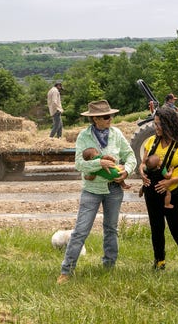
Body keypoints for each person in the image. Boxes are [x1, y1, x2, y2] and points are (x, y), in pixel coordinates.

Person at [57, 100, 137, 284]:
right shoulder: (83, 137)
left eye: (111, 115)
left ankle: (109, 266)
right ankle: (66, 271)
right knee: (81, 230)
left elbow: (130, 155)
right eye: (106, 116)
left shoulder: (116, 134)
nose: (110, 119)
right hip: (91, 191)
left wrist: (126, 171)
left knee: (111, 229)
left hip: (114, 189)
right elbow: (79, 164)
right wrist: (98, 163)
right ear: (95, 119)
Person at [138, 105, 178, 273]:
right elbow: (143, 163)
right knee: (156, 230)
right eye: (155, 124)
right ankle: (159, 262)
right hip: (152, 193)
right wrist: (142, 171)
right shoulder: (151, 142)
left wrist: (171, 182)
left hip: (172, 194)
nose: (156, 128)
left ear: (170, 125)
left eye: (159, 124)